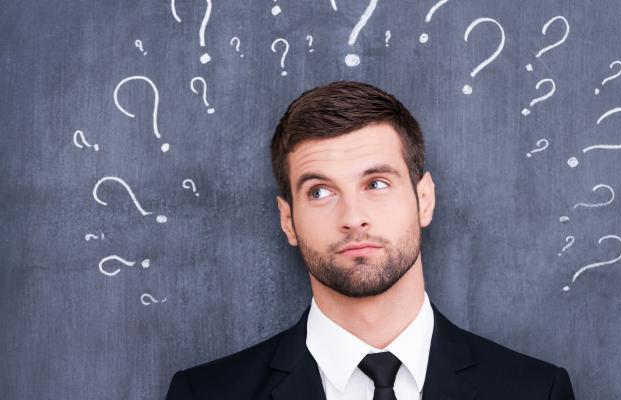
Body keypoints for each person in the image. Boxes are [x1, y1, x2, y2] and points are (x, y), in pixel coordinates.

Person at [165, 81, 575, 400]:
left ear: (424, 199)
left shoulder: (537, 391)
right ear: (288, 220)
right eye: (320, 192)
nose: (353, 218)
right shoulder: (204, 394)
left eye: (376, 183)